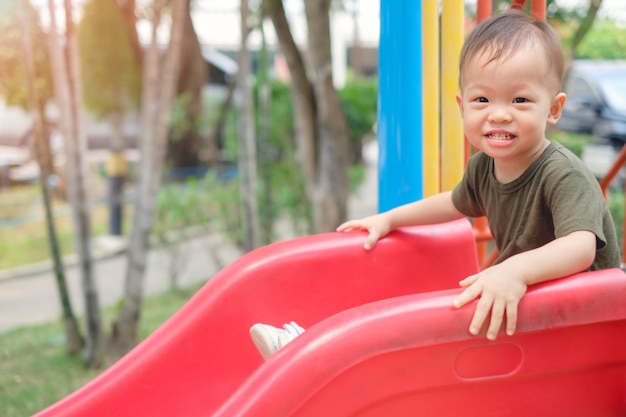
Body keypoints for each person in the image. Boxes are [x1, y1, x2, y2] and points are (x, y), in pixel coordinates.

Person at [249, 10, 621, 360]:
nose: (499, 113)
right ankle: (313, 348)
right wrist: (390, 219)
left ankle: (318, 351)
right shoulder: (485, 167)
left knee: (447, 316)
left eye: (520, 100)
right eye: (482, 99)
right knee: (434, 306)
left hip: (582, 321)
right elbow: (453, 203)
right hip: (531, 306)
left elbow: (580, 248)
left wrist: (513, 271)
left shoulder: (563, 173)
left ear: (553, 109)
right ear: (462, 106)